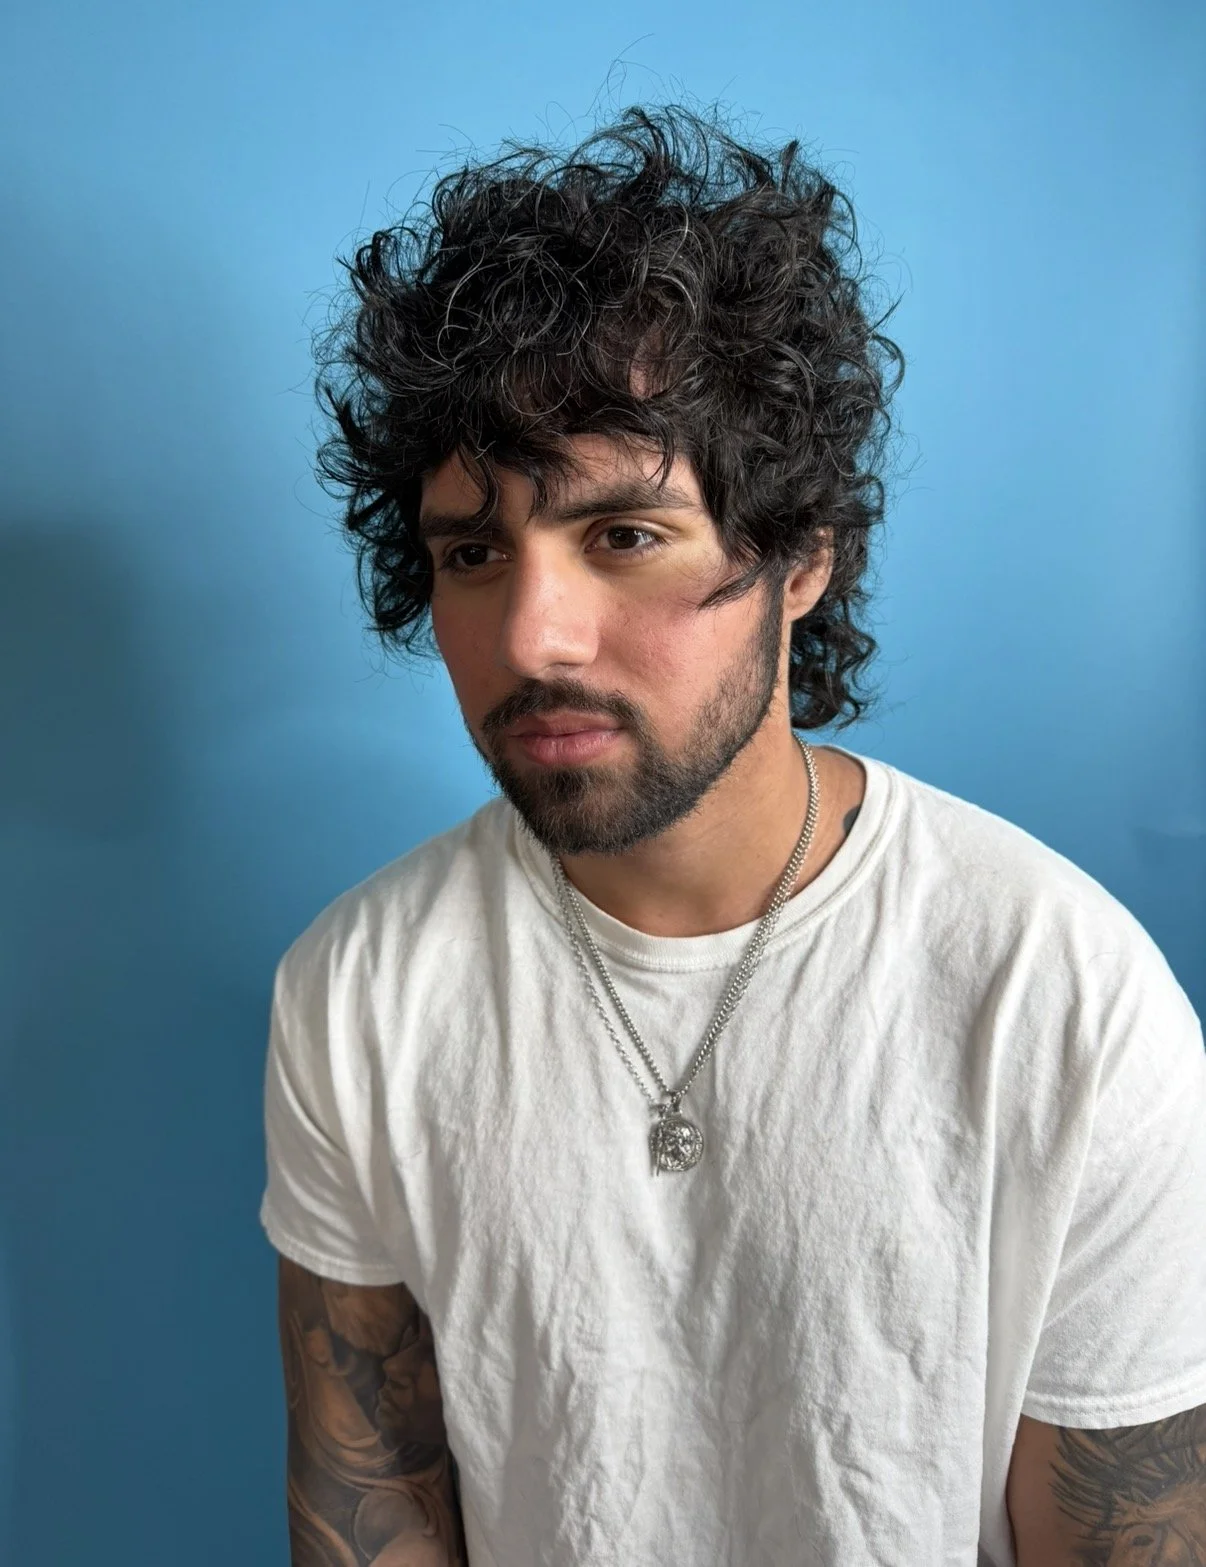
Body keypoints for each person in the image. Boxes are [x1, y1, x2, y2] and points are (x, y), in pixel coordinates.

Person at [258, 103, 1206, 1566]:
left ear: (800, 556)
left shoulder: (1056, 989)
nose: (533, 632)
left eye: (624, 535)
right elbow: (369, 1508)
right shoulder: (361, 989)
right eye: (470, 552)